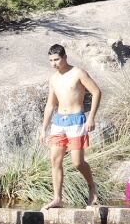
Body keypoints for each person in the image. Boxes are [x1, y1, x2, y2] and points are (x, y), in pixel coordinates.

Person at [39, 44, 102, 208]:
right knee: (55, 160)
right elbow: (50, 105)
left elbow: (96, 92)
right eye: (51, 60)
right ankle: (57, 198)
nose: (54, 64)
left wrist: (91, 118)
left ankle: (92, 187)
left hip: (76, 120)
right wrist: (43, 128)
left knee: (77, 162)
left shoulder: (78, 73)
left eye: (57, 59)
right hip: (59, 121)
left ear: (65, 57)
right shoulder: (53, 79)